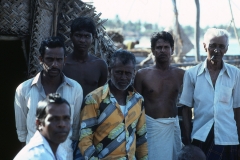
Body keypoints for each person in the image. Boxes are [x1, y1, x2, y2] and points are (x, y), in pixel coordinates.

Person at [14, 36, 83, 159]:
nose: (54, 64)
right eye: (49, 59)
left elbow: (75, 130)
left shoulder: (75, 89)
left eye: (59, 60)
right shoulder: (23, 90)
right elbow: (22, 133)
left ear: (64, 60)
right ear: (41, 59)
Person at [180, 28, 240, 159]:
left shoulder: (235, 73)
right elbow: (185, 109)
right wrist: (189, 141)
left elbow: (237, 109)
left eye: (221, 46)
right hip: (200, 136)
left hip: (228, 137)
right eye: (213, 46)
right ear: (204, 46)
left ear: (227, 49)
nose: (217, 50)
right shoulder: (192, 74)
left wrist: (239, 138)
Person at [79, 50, 148, 160]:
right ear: (110, 71)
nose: (123, 77)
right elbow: (84, 138)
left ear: (134, 73)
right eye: (119, 72)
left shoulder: (138, 100)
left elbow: (142, 138)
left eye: (128, 73)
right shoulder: (94, 99)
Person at [134, 31, 184, 160]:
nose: (163, 50)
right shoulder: (142, 74)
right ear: (153, 50)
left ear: (172, 50)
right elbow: (135, 107)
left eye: (166, 47)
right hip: (151, 128)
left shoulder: (180, 74)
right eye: (159, 47)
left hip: (172, 127)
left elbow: (189, 102)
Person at [14, 93, 71, 160]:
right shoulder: (37, 155)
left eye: (66, 118)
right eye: (54, 119)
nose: (62, 124)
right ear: (39, 123)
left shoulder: (59, 151)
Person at [63, 17, 108, 99]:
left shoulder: (100, 66)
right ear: (71, 36)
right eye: (78, 35)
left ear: (93, 38)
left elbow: (101, 95)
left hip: (91, 111)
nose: (82, 40)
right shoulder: (63, 64)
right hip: (67, 111)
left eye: (87, 36)